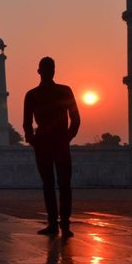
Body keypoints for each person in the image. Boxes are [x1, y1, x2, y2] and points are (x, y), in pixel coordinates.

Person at [23, 57, 80, 238]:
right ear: (42, 71)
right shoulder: (62, 91)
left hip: (48, 143)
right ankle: (60, 225)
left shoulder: (33, 94)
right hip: (54, 142)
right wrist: (66, 137)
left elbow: (27, 124)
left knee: (54, 185)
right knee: (61, 185)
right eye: (48, 69)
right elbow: (75, 119)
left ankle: (57, 224)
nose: (48, 72)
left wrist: (35, 140)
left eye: (49, 69)